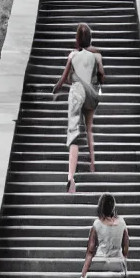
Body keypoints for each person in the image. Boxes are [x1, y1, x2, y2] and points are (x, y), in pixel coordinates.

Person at [52, 22, 104, 193]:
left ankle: (70, 177)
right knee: (89, 129)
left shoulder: (72, 56)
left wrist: (56, 89)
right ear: (89, 39)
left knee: (74, 134)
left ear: (77, 39)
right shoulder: (94, 57)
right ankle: (93, 165)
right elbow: (99, 77)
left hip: (76, 94)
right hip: (90, 94)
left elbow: (63, 79)